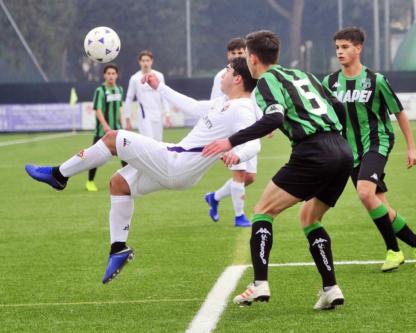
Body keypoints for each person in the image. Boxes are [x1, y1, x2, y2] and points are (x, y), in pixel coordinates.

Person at [25, 57, 260, 284]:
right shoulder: (223, 102)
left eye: (228, 69)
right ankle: (118, 248)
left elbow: (254, 143)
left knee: (112, 138)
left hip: (177, 162)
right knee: (119, 184)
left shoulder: (242, 109)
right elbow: (193, 106)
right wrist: (161, 88)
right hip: (179, 166)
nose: (223, 73)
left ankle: (58, 175)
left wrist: (237, 154)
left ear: (237, 78)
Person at [203, 30, 353, 310]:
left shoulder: (264, 83)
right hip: (341, 150)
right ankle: (330, 288)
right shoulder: (303, 75)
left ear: (253, 58)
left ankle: (259, 283)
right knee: (310, 218)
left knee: (262, 211)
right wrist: (339, 143)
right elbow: (338, 106)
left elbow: (274, 117)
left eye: (246, 55)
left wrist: (230, 141)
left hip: (313, 151)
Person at [322, 26, 416, 272]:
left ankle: (393, 251)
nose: (340, 52)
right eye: (337, 47)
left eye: (345, 47)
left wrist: (411, 148)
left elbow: (399, 112)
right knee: (376, 202)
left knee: (364, 193)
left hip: (376, 142)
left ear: (358, 48)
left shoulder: (376, 81)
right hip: (348, 150)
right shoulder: (329, 83)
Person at [205, 37, 258, 227]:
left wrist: (264, 124)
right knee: (240, 172)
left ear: (246, 52)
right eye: (233, 53)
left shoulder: (253, 73)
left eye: (240, 52)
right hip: (232, 130)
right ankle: (239, 216)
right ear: (228, 55)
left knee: (249, 177)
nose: (237, 55)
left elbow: (254, 101)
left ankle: (215, 197)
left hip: (250, 129)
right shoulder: (223, 75)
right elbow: (213, 104)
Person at [86, 63, 126, 192]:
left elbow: (120, 108)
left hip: (117, 130)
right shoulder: (100, 90)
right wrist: (105, 126)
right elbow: (97, 109)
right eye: (108, 74)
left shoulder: (120, 89)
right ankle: (90, 181)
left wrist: (122, 125)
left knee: (125, 155)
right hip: (102, 131)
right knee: (94, 157)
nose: (111, 76)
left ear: (117, 75)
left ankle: (128, 180)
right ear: (104, 75)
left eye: (113, 74)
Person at [124, 50, 171, 142]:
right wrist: (127, 118)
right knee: (148, 142)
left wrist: (167, 114)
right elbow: (129, 98)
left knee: (158, 142)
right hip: (144, 115)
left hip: (157, 114)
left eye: (148, 60)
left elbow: (164, 96)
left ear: (152, 61)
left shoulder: (159, 76)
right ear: (139, 62)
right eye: (143, 60)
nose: (145, 63)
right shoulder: (135, 78)